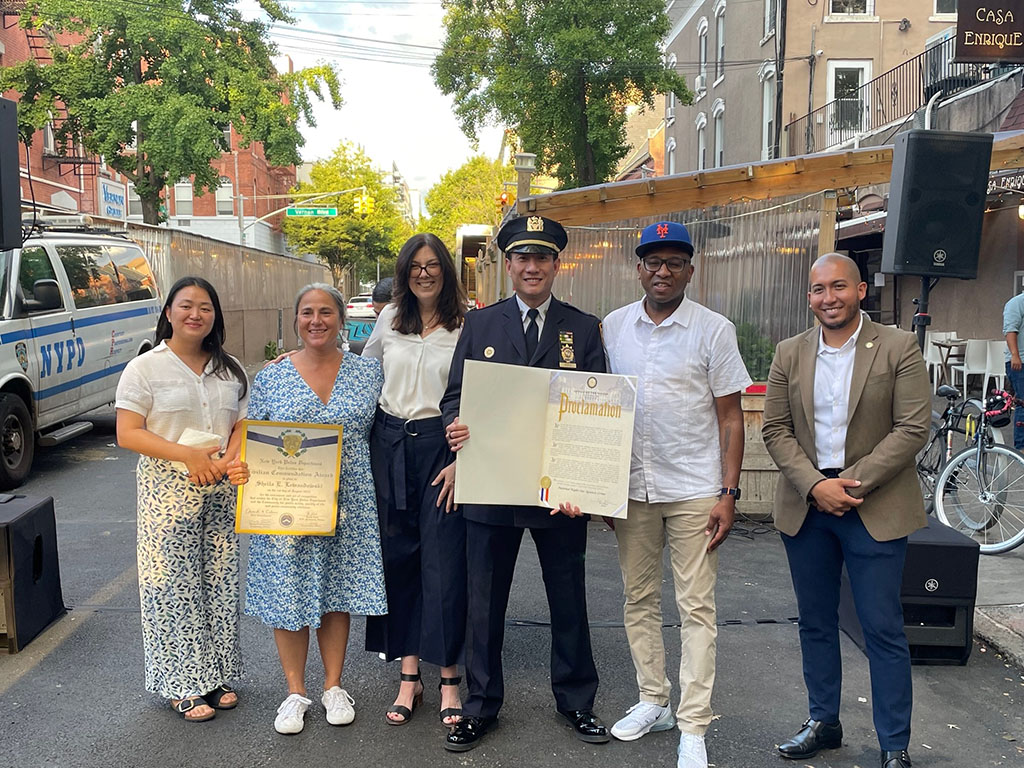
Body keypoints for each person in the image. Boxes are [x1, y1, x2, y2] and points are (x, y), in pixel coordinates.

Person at [440, 214, 609, 752]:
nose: (532, 267)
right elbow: (453, 398)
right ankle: (481, 705)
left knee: (569, 596)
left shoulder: (582, 328)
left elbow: (598, 408)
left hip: (558, 492)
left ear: (558, 264)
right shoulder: (481, 324)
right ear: (508, 265)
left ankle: (577, 701)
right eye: (522, 258)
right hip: (491, 487)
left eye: (542, 258)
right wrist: (455, 426)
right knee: (484, 601)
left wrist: (589, 479)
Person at [762, 253, 930, 768]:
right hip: (807, 508)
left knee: (882, 627)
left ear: (861, 291)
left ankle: (893, 745)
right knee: (815, 621)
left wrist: (849, 484)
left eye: (838, 287)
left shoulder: (899, 347)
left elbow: (912, 428)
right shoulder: (789, 353)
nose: (828, 298)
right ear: (808, 296)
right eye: (818, 290)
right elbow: (775, 430)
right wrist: (816, 486)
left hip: (872, 505)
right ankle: (823, 722)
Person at [596, 220, 750, 768]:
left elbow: (731, 418)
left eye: (674, 262)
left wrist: (728, 492)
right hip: (633, 489)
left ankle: (693, 725)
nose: (663, 271)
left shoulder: (713, 330)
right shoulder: (613, 328)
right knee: (638, 600)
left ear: (690, 269)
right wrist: (602, 487)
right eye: (653, 261)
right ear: (638, 267)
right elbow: (595, 409)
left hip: (693, 489)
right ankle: (653, 700)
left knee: (695, 607)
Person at [245, 283, 387, 735]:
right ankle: (294, 692)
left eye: (326, 312)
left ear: (341, 319)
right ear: (296, 321)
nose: (316, 321)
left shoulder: (369, 374)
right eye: (307, 312)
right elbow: (255, 436)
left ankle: (332, 686)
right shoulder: (273, 377)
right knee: (288, 593)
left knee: (336, 592)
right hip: (288, 502)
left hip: (350, 502)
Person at [115, 276, 250, 722]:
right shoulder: (146, 368)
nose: (196, 314)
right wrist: (188, 455)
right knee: (171, 587)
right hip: (166, 494)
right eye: (187, 305)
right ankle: (180, 684)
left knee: (220, 583)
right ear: (168, 312)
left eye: (206, 307)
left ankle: (215, 676)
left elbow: (242, 426)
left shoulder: (229, 369)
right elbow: (128, 432)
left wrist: (229, 459)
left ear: (215, 316)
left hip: (219, 492)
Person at [363, 234, 467, 727]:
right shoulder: (389, 319)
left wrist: (468, 457)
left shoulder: (467, 324)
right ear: (404, 272)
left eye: (433, 265)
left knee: (442, 563)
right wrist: (295, 366)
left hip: (441, 450)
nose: (424, 273)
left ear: (445, 271)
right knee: (398, 559)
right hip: (389, 444)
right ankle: (409, 676)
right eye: (415, 266)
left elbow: (482, 395)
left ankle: (448, 677)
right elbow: (361, 378)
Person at [1003, 289, 1024, 450]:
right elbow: (1010, 330)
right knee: (1023, 403)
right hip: (1019, 362)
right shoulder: (1016, 303)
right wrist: (1015, 355)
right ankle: (1021, 446)